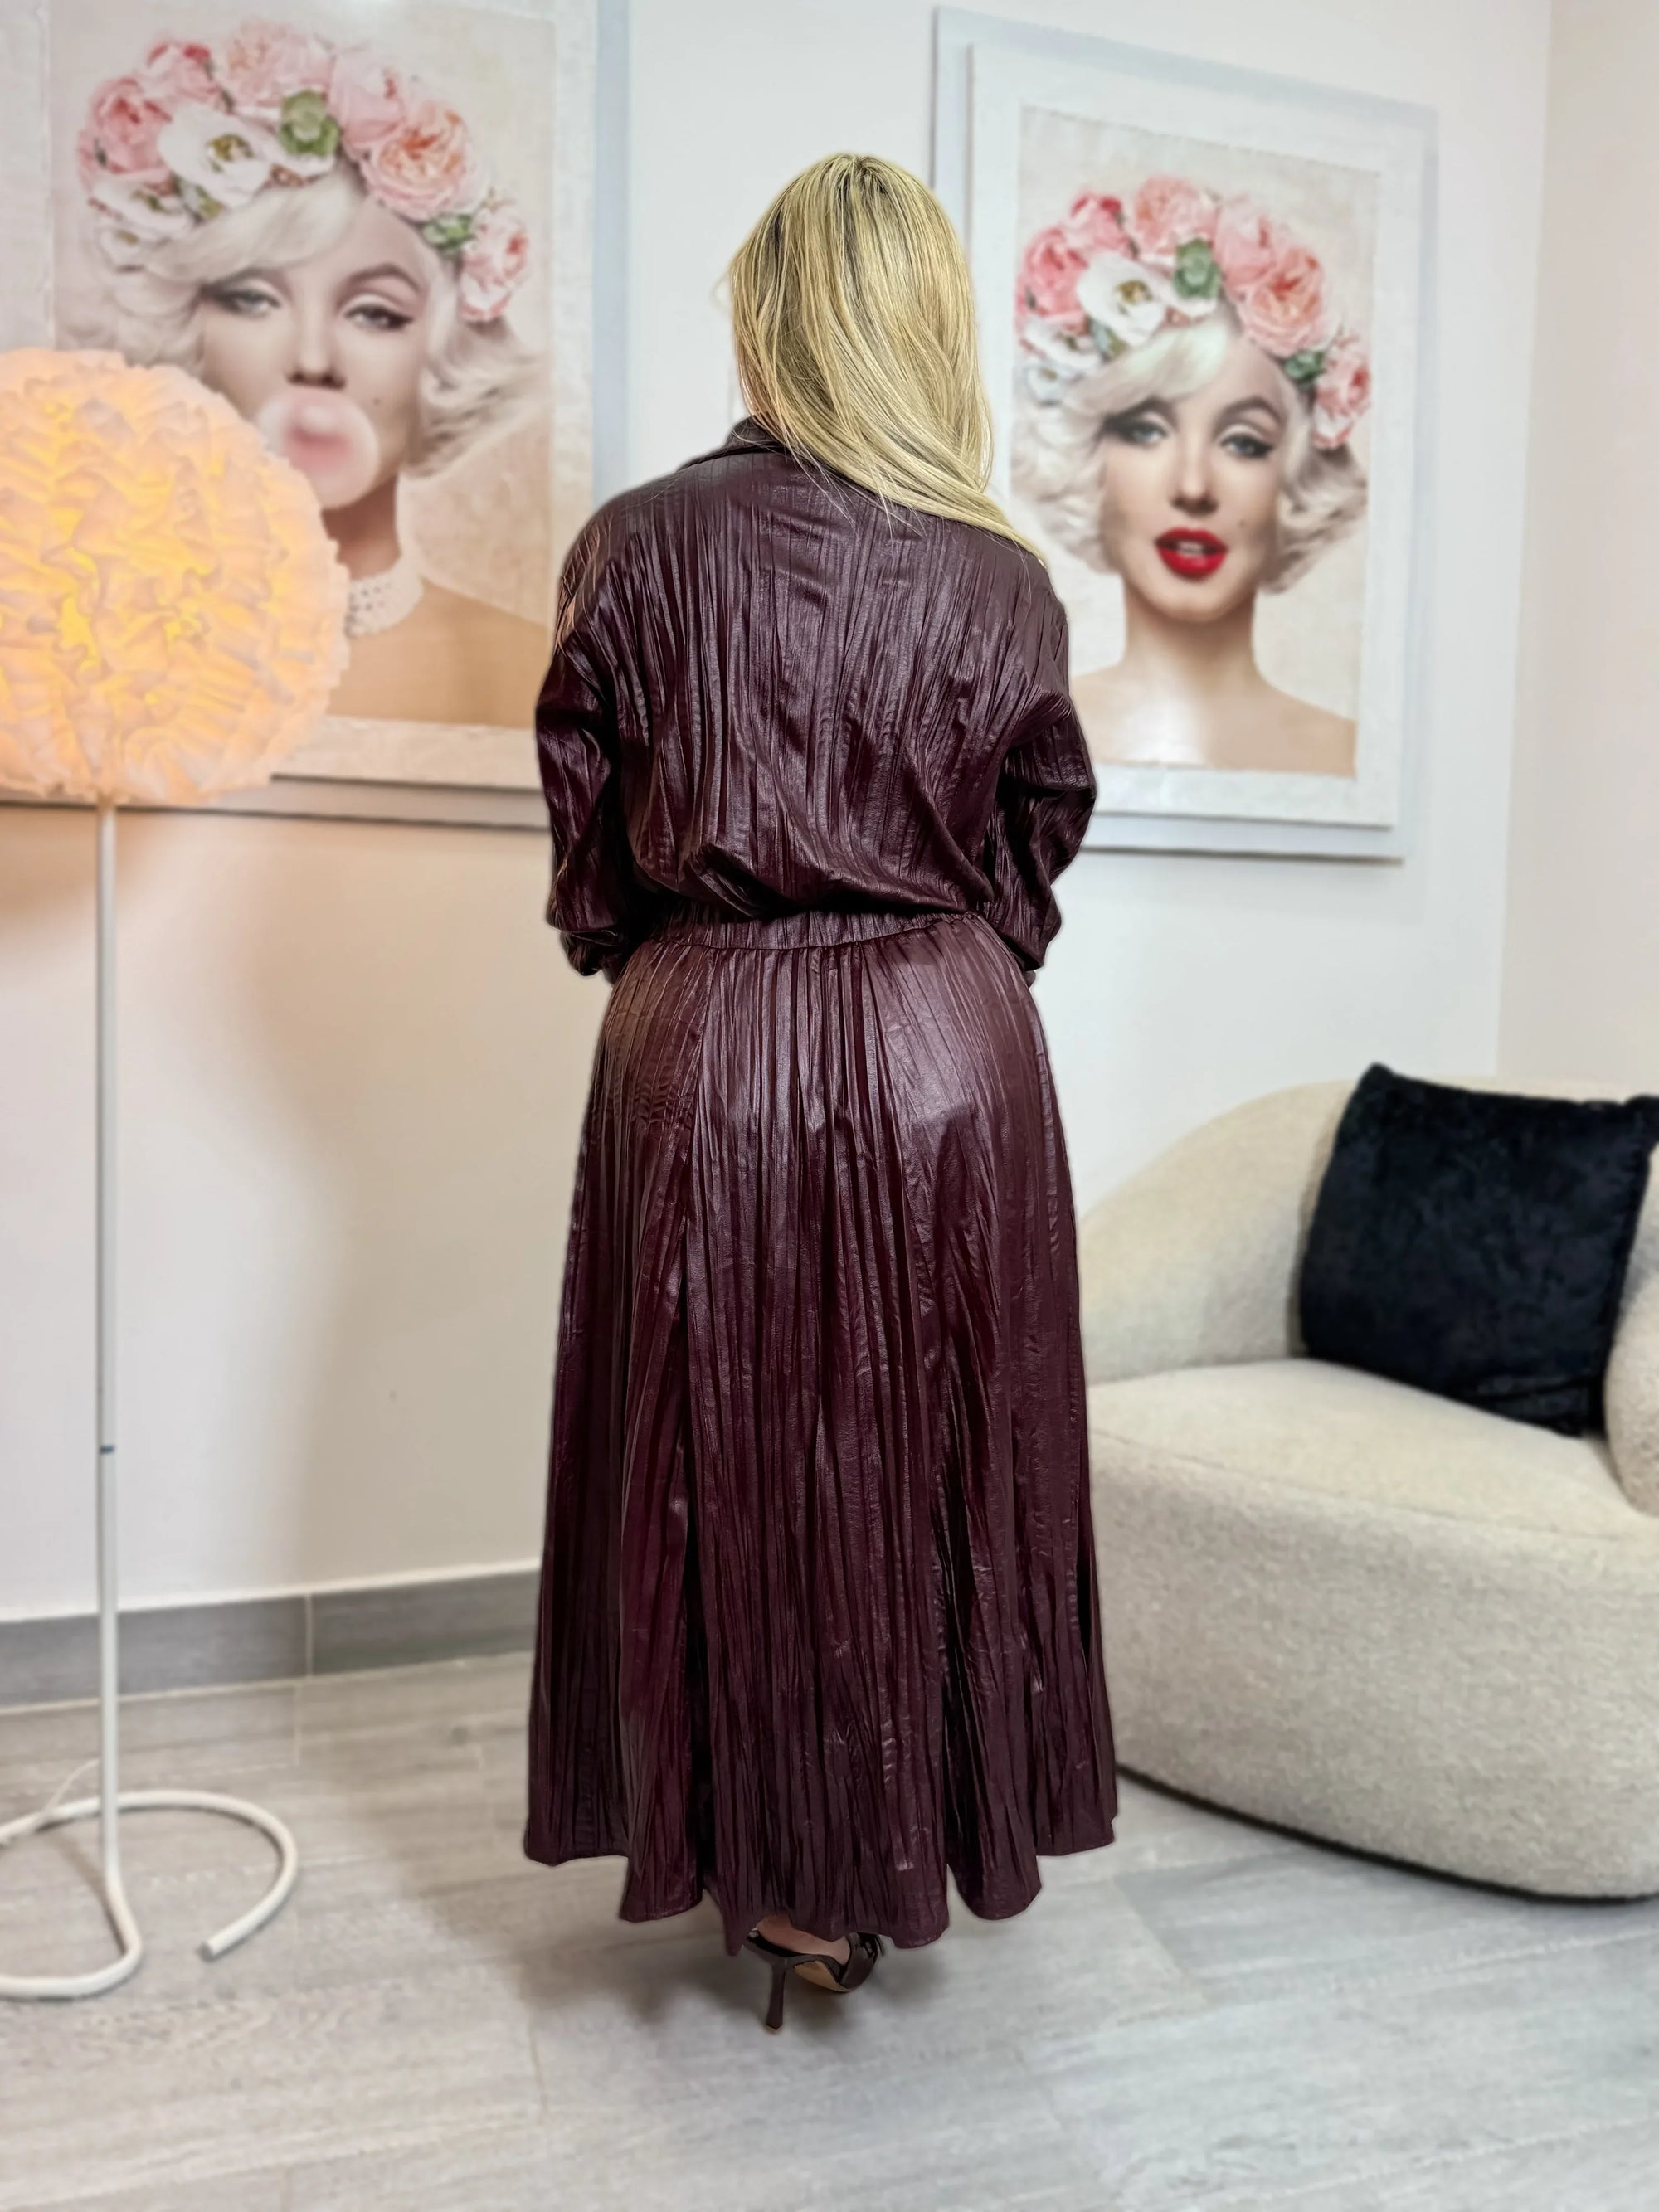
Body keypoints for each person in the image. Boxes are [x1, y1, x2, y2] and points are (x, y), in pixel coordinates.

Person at [523, 153, 1117, 2032]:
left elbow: (588, 845)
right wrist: (936, 962)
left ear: (764, 314)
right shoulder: (1005, 581)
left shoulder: (632, 545)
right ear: (927, 329)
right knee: (936, 1454)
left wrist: (680, 953)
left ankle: (762, 1867)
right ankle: (896, 1847)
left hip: (700, 1041)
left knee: (704, 1453)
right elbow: (1035, 840)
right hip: (948, 1050)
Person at [66, 21, 547, 727]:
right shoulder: (81, 661)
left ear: (442, 352)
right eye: (252, 300)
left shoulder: (533, 669)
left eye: (375, 313)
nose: (313, 360)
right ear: (183, 328)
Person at [1012, 176, 1372, 775]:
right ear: (1089, 454)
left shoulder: (1349, 757)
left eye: (1243, 442)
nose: (1193, 487)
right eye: (1146, 431)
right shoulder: (1023, 749)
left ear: (1294, 477)